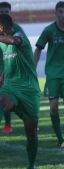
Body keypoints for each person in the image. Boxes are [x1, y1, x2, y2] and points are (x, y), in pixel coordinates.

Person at [34, 1, 64, 147]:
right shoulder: (49, 30)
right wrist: (32, 67)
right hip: (53, 74)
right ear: (55, 14)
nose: (63, 14)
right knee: (53, 107)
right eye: (60, 12)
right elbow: (38, 49)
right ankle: (60, 140)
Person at [0, 14, 40, 169]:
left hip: (29, 91)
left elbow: (14, 41)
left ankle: (31, 165)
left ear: (1, 28)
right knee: (3, 100)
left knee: (31, 132)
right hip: (11, 87)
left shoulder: (18, 35)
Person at [0, 1, 26, 135]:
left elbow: (19, 44)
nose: (3, 14)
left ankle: (25, 119)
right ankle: (8, 124)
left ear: (10, 13)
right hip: (3, 66)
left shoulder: (16, 28)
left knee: (11, 99)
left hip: (13, 67)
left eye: (6, 12)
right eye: (1, 12)